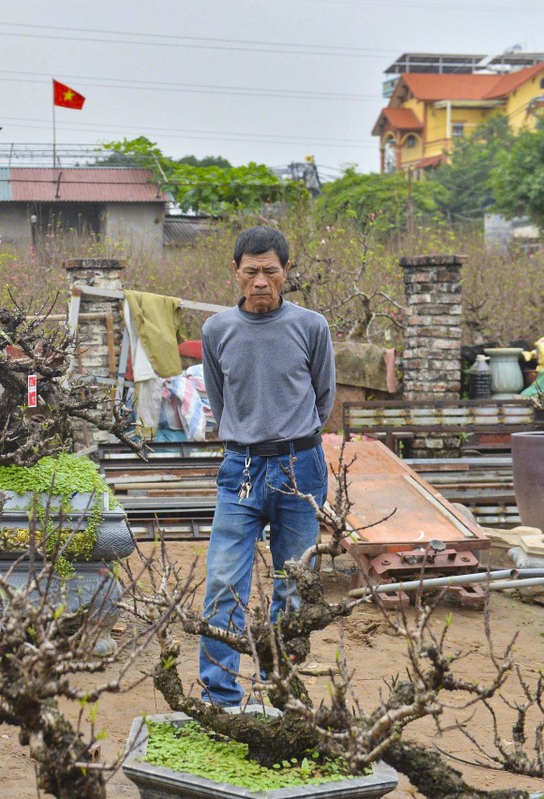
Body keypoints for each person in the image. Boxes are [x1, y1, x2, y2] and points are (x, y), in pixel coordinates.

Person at [198, 225, 335, 707]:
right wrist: (251, 437)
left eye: (270, 271)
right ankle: (221, 695)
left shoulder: (311, 326)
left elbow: (323, 398)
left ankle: (279, 688)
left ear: (286, 273)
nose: (260, 281)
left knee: (293, 584)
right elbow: (219, 398)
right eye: (251, 271)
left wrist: (294, 440)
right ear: (235, 272)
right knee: (222, 579)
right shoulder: (216, 331)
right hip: (241, 468)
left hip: (302, 468)